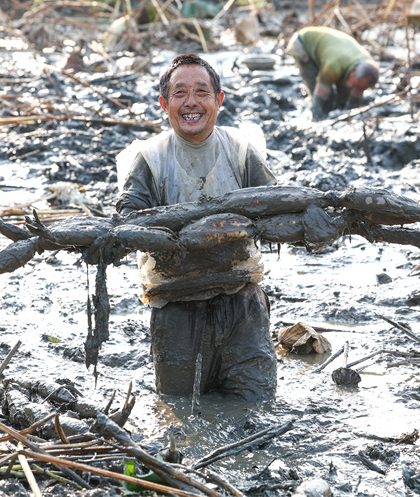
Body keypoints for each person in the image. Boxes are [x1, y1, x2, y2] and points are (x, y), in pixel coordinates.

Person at [116, 54, 277, 401]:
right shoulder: (149, 158)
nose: (191, 102)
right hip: (176, 311)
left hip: (242, 306)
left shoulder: (242, 151)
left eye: (202, 92)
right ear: (164, 104)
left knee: (257, 405)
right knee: (178, 409)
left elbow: (277, 208)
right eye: (180, 93)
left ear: (219, 100)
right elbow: (129, 220)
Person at [286, 26, 379, 120]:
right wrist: (317, 115)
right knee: (324, 96)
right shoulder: (334, 66)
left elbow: (356, 92)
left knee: (344, 94)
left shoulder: (369, 64)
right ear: (353, 71)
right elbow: (320, 93)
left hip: (333, 50)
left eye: (361, 88)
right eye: (356, 86)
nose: (356, 90)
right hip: (302, 43)